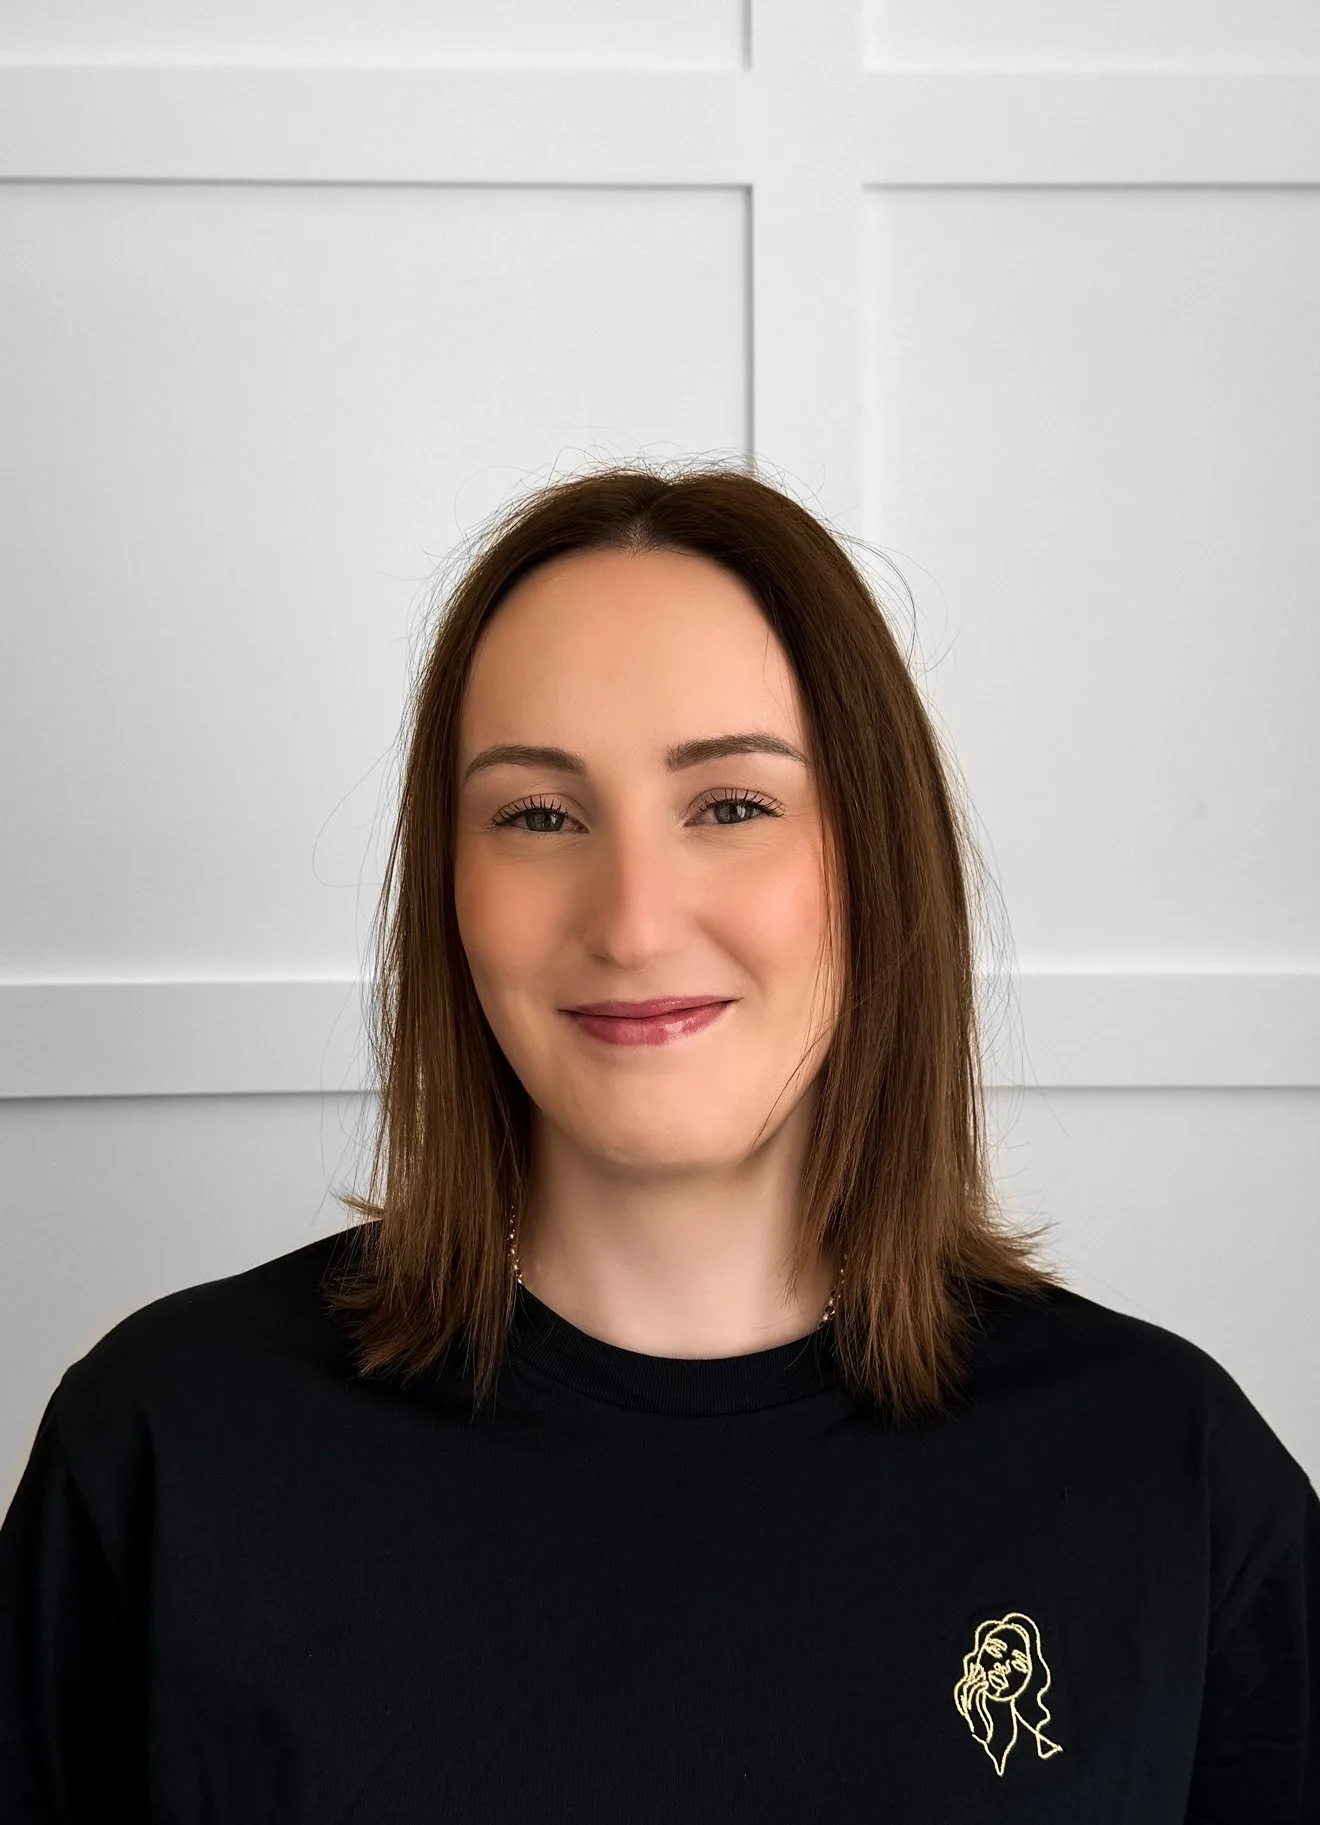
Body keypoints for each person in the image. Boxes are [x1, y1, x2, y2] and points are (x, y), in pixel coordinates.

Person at [1, 459, 1316, 1821]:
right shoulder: (170, 1448)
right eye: (538, 815)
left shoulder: (1163, 1470)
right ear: (451, 889)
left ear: (876, 853)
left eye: (731, 806)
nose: (630, 919)